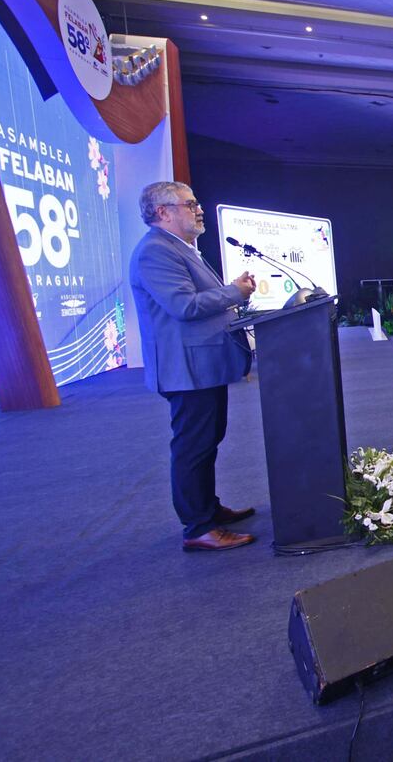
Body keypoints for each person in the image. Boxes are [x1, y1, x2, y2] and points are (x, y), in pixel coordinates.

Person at [128, 181, 257, 552]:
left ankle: (208, 509)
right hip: (186, 369)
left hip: (202, 366)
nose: (199, 209)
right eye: (190, 204)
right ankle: (198, 527)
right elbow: (184, 306)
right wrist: (234, 292)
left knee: (207, 441)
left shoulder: (177, 247)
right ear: (163, 212)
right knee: (193, 447)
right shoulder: (155, 251)